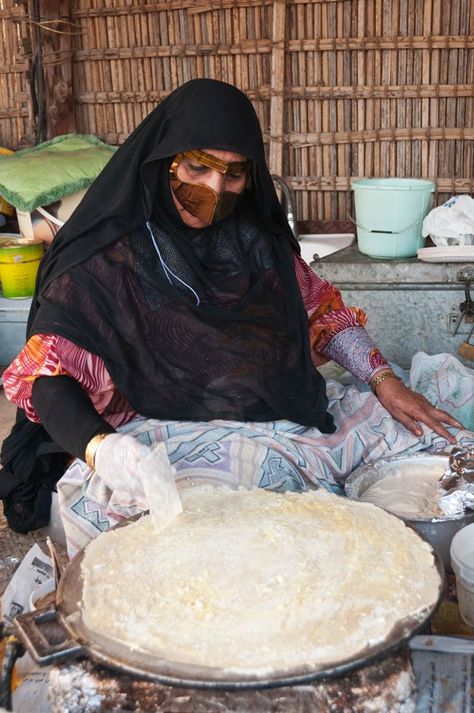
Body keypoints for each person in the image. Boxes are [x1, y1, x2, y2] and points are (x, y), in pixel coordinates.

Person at [0, 79, 468, 556]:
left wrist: (384, 380)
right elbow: (46, 375)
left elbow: (324, 312)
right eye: (197, 168)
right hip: (156, 428)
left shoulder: (252, 240)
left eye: (234, 175)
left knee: (435, 446)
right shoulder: (106, 258)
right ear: (166, 161)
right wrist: (102, 448)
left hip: (273, 414)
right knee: (182, 534)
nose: (214, 189)